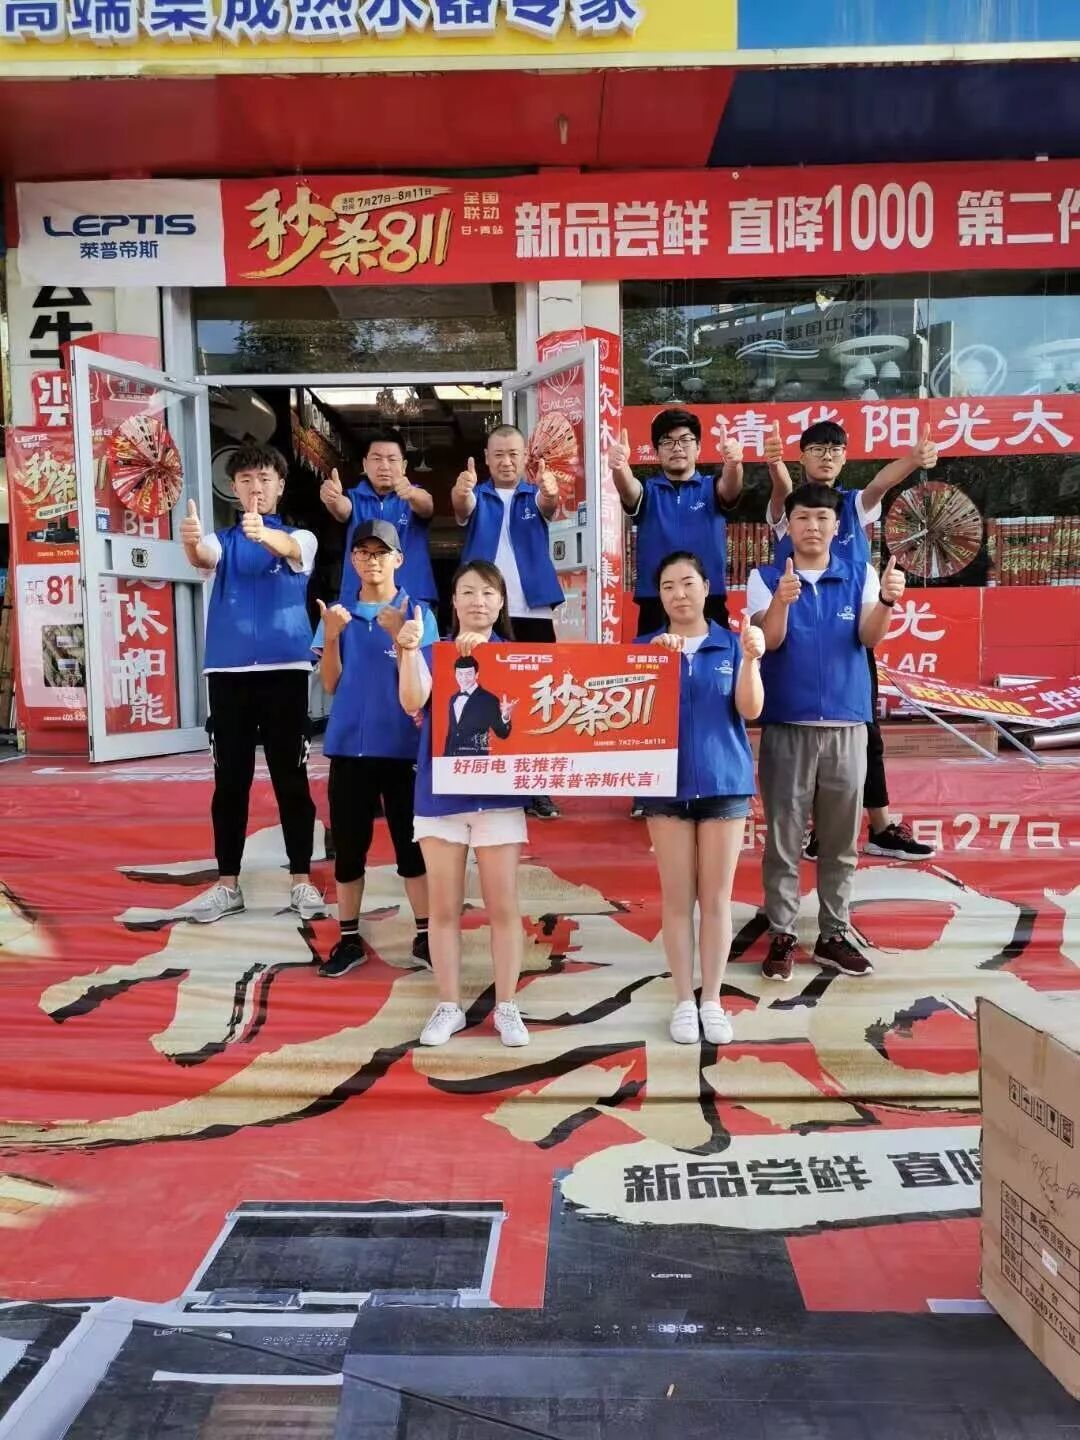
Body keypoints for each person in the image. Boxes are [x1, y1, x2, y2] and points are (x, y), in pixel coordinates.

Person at [749, 483, 907, 983]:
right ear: (789, 525)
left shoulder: (859, 573)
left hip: (847, 725)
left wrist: (886, 600)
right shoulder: (765, 577)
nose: (812, 526)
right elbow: (768, 640)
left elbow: (868, 636)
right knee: (783, 838)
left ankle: (834, 934)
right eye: (802, 517)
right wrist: (782, 601)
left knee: (839, 842)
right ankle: (782, 933)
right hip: (786, 724)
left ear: (838, 526)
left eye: (822, 518)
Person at [764, 417, 937, 861]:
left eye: (835, 450)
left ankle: (880, 827)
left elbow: (880, 484)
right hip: (797, 633)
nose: (827, 456)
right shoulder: (790, 507)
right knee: (804, 739)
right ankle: (821, 832)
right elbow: (782, 492)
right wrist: (774, 465)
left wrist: (912, 460)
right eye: (817, 449)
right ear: (801, 456)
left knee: (864, 733)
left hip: (847, 636)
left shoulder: (852, 505)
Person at [179, 442, 325, 924]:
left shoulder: (301, 536)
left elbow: (291, 550)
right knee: (230, 782)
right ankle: (228, 885)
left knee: (291, 778)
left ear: (280, 485)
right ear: (234, 488)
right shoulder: (222, 540)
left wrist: (264, 534)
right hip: (228, 673)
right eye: (246, 480)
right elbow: (203, 556)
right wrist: (190, 541)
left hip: (286, 670)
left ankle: (301, 879)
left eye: (264, 478)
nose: (256, 487)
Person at [397, 561, 531, 1049]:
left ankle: (507, 1006)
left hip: (498, 798)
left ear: (502, 602)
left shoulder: (520, 660)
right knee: (444, 908)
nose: (478, 601)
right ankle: (449, 1005)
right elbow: (412, 701)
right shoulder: (432, 653)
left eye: (488, 592)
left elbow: (515, 732)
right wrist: (408, 651)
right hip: (441, 796)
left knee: (503, 906)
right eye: (468, 592)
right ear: (452, 602)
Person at [638, 551, 764, 1046]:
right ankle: (682, 1001)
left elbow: (750, 709)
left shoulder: (732, 644)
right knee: (676, 900)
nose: (679, 594)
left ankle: (711, 999)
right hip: (664, 788)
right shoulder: (644, 650)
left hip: (723, 782)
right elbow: (628, 720)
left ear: (707, 587)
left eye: (687, 583)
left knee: (715, 900)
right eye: (668, 586)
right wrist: (655, 666)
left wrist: (751, 660)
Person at [315, 520, 439, 979]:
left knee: (412, 848)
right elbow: (330, 683)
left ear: (398, 559)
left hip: (405, 749)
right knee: (349, 850)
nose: (372, 561)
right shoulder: (338, 614)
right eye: (364, 552)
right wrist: (331, 635)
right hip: (350, 748)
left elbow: (425, 686)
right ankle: (348, 939)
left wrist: (400, 636)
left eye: (381, 553)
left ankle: (425, 935)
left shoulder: (418, 612)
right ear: (353, 560)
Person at [452, 424, 562, 820]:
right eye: (498, 454)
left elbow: (550, 505)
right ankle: (480, 779)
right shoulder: (477, 494)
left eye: (513, 453)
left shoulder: (536, 493)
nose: (506, 461)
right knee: (481, 692)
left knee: (536, 697)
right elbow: (461, 506)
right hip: (483, 614)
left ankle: (538, 787)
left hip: (533, 611)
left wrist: (550, 492)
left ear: (525, 456)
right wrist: (461, 491)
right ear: (486, 458)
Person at [607, 407, 744, 638]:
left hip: (708, 599)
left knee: (717, 658)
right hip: (655, 601)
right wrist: (620, 468)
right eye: (667, 441)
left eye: (685, 440)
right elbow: (628, 488)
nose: (677, 447)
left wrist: (733, 465)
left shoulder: (711, 487)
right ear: (657, 452)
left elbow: (730, 487)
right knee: (652, 660)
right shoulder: (648, 490)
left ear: (698, 448)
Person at [319, 426, 436, 611]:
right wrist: (333, 499)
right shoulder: (354, 497)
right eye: (377, 458)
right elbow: (342, 510)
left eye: (392, 459)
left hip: (412, 597)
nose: (384, 466)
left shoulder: (414, 497)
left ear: (404, 466)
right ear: (365, 465)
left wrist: (412, 493)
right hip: (358, 600)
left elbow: (427, 505)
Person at [443, 655, 515, 758]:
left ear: (476, 675)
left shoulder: (489, 699)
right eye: (460, 674)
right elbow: (451, 733)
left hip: (475, 762)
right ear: (455, 675)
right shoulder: (453, 698)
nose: (464, 678)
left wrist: (505, 716)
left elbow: (502, 733)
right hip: (451, 761)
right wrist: (445, 758)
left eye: (469, 674)